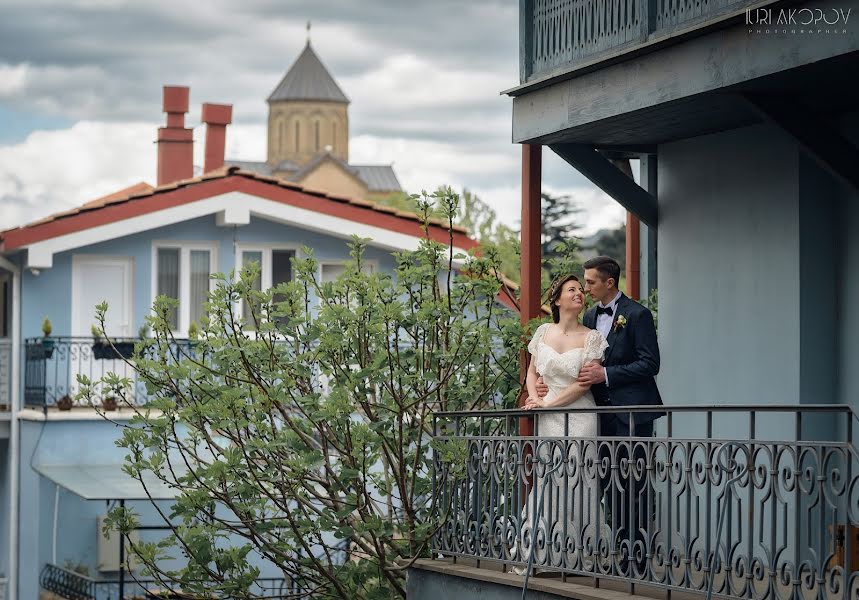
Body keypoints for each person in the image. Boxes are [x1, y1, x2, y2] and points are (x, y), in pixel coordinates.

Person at [539, 255, 663, 576]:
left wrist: (606, 375)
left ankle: (635, 559)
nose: (585, 288)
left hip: (632, 414)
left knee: (634, 484)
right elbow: (574, 356)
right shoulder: (591, 316)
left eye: (590, 282)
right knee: (606, 485)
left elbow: (650, 364)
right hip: (598, 415)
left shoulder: (638, 315)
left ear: (609, 283)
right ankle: (611, 552)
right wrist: (544, 382)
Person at [517, 274, 609, 571]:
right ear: (557, 299)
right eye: (572, 290)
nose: (580, 293)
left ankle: (579, 553)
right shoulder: (543, 331)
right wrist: (533, 398)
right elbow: (532, 372)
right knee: (548, 479)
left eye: (582, 290)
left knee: (578, 478)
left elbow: (583, 385)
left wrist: (546, 404)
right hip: (547, 416)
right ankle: (547, 550)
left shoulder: (592, 337)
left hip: (580, 415)